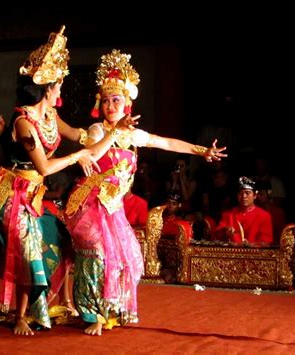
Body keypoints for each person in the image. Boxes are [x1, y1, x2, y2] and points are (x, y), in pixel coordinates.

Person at [64, 49, 227, 336]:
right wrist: (115, 133)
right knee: (98, 255)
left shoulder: (133, 135)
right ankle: (92, 314)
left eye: (116, 100)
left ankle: (109, 307)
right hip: (90, 204)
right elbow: (91, 152)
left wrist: (203, 151)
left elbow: (166, 143)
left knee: (130, 259)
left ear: (127, 103)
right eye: (105, 101)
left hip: (113, 208)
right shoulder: (97, 130)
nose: (110, 105)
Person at [0, 27, 136, 336]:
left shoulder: (51, 118)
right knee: (29, 252)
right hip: (12, 197)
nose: (61, 90)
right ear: (47, 88)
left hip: (34, 196)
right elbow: (44, 166)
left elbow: (83, 137)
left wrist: (112, 130)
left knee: (61, 240)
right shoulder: (25, 123)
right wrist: (77, 156)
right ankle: (20, 316)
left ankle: (56, 305)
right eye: (59, 85)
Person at [214, 176, 273, 247]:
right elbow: (216, 237)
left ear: (255, 195)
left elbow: (266, 242)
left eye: (247, 193)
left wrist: (250, 245)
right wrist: (225, 231)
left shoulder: (264, 216)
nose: (243, 196)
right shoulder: (228, 214)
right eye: (240, 193)